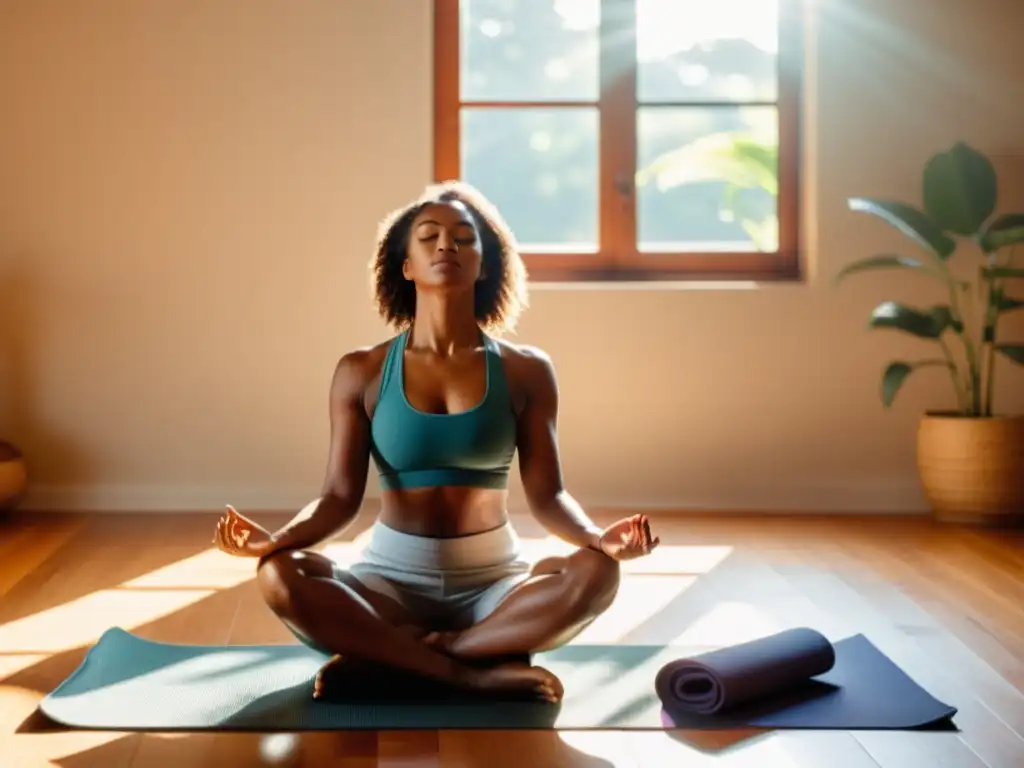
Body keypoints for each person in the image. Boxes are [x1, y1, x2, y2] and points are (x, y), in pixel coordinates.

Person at [212, 181, 659, 704]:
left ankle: (401, 657)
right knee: (280, 575)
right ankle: (470, 671)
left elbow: (549, 496)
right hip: (389, 580)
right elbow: (338, 497)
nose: (446, 245)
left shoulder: (527, 370)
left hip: (494, 582)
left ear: (485, 265)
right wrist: (275, 541)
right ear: (405, 266)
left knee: (598, 574)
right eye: (428, 236)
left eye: (464, 238)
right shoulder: (362, 371)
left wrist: (601, 540)